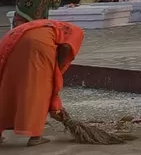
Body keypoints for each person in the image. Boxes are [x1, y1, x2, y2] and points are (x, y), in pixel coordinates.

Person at [0, 18, 84, 146]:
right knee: (40, 88)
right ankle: (35, 136)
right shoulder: (77, 32)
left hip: (11, 40)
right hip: (37, 45)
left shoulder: (49, 26)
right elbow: (67, 46)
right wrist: (57, 71)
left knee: (8, 86)